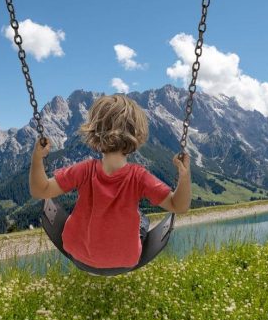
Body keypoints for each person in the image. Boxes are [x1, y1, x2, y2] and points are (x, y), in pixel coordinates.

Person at [29, 95, 191, 269]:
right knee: (142, 220)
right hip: (125, 261)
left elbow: (40, 191)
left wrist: (37, 158)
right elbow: (179, 206)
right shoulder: (139, 177)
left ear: (94, 131)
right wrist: (184, 175)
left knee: (75, 216)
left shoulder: (84, 170)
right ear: (138, 134)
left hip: (78, 256)